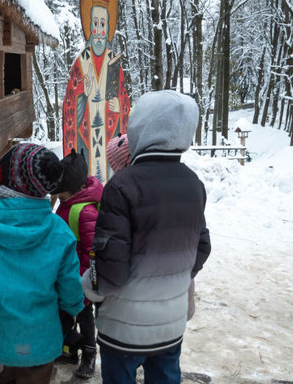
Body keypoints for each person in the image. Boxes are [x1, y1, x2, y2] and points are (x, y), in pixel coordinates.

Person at [83, 90, 211, 384]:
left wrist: (89, 289)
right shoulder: (193, 184)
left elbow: (109, 270)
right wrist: (176, 277)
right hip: (170, 326)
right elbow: (202, 246)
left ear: (141, 126)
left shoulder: (123, 185)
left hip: (124, 328)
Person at [0, 143, 85, 384]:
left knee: (10, 371)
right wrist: (72, 309)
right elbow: (70, 284)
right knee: (33, 373)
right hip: (41, 335)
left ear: (11, 179)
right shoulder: (59, 232)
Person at [105, 133, 207, 322]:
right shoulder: (186, 183)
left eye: (115, 167)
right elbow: (202, 243)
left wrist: (94, 287)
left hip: (135, 307)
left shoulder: (124, 193)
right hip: (177, 301)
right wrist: (183, 273)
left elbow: (115, 257)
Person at [62, 0, 131, 184]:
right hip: (86, 140)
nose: (99, 30)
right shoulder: (80, 64)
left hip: (111, 137)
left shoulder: (115, 63)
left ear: (108, 27)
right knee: (89, 183)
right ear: (89, 27)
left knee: (110, 185)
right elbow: (69, 107)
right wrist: (83, 95)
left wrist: (120, 108)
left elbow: (125, 100)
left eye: (103, 25)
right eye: (95, 24)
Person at [52, 149, 103, 379]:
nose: (59, 201)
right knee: (66, 313)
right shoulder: (69, 202)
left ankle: (89, 354)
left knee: (84, 316)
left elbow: (92, 252)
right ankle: (70, 351)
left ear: (78, 190)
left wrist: (85, 282)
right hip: (67, 275)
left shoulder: (85, 212)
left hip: (81, 278)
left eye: (61, 197)